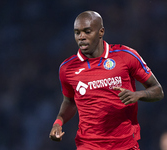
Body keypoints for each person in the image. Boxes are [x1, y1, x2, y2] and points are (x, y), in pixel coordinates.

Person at [49, 11, 164, 150]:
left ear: (101, 32)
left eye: (87, 31)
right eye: (77, 33)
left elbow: (158, 90)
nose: (81, 37)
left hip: (125, 144)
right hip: (88, 145)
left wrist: (137, 95)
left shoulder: (126, 56)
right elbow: (70, 101)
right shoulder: (67, 68)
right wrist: (58, 122)